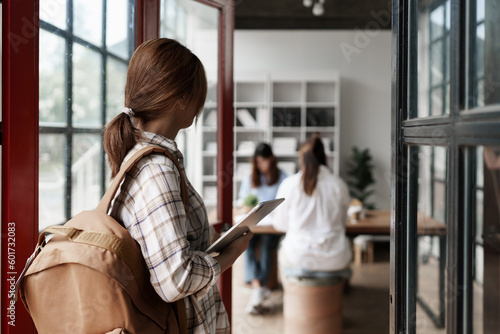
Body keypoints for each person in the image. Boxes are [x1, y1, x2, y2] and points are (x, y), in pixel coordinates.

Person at [103, 38, 252, 334]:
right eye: (199, 95)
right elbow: (176, 280)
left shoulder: (142, 156)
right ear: (181, 99)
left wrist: (214, 241)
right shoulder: (157, 169)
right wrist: (229, 256)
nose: (201, 105)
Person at [273, 133, 352, 277]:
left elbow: (280, 225)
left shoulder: (289, 185)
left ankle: (292, 292)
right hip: (334, 258)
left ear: (301, 158)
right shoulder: (338, 184)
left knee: (283, 249)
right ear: (324, 157)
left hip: (299, 257)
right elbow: (343, 223)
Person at [237, 143, 286, 314]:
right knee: (246, 242)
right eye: (257, 162)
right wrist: (245, 206)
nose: (260, 166)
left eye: (263, 162)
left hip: (272, 226)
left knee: (266, 244)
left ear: (271, 160)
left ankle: (260, 286)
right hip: (255, 223)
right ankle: (259, 286)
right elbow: (241, 200)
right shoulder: (250, 178)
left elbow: (284, 202)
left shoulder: (282, 177)